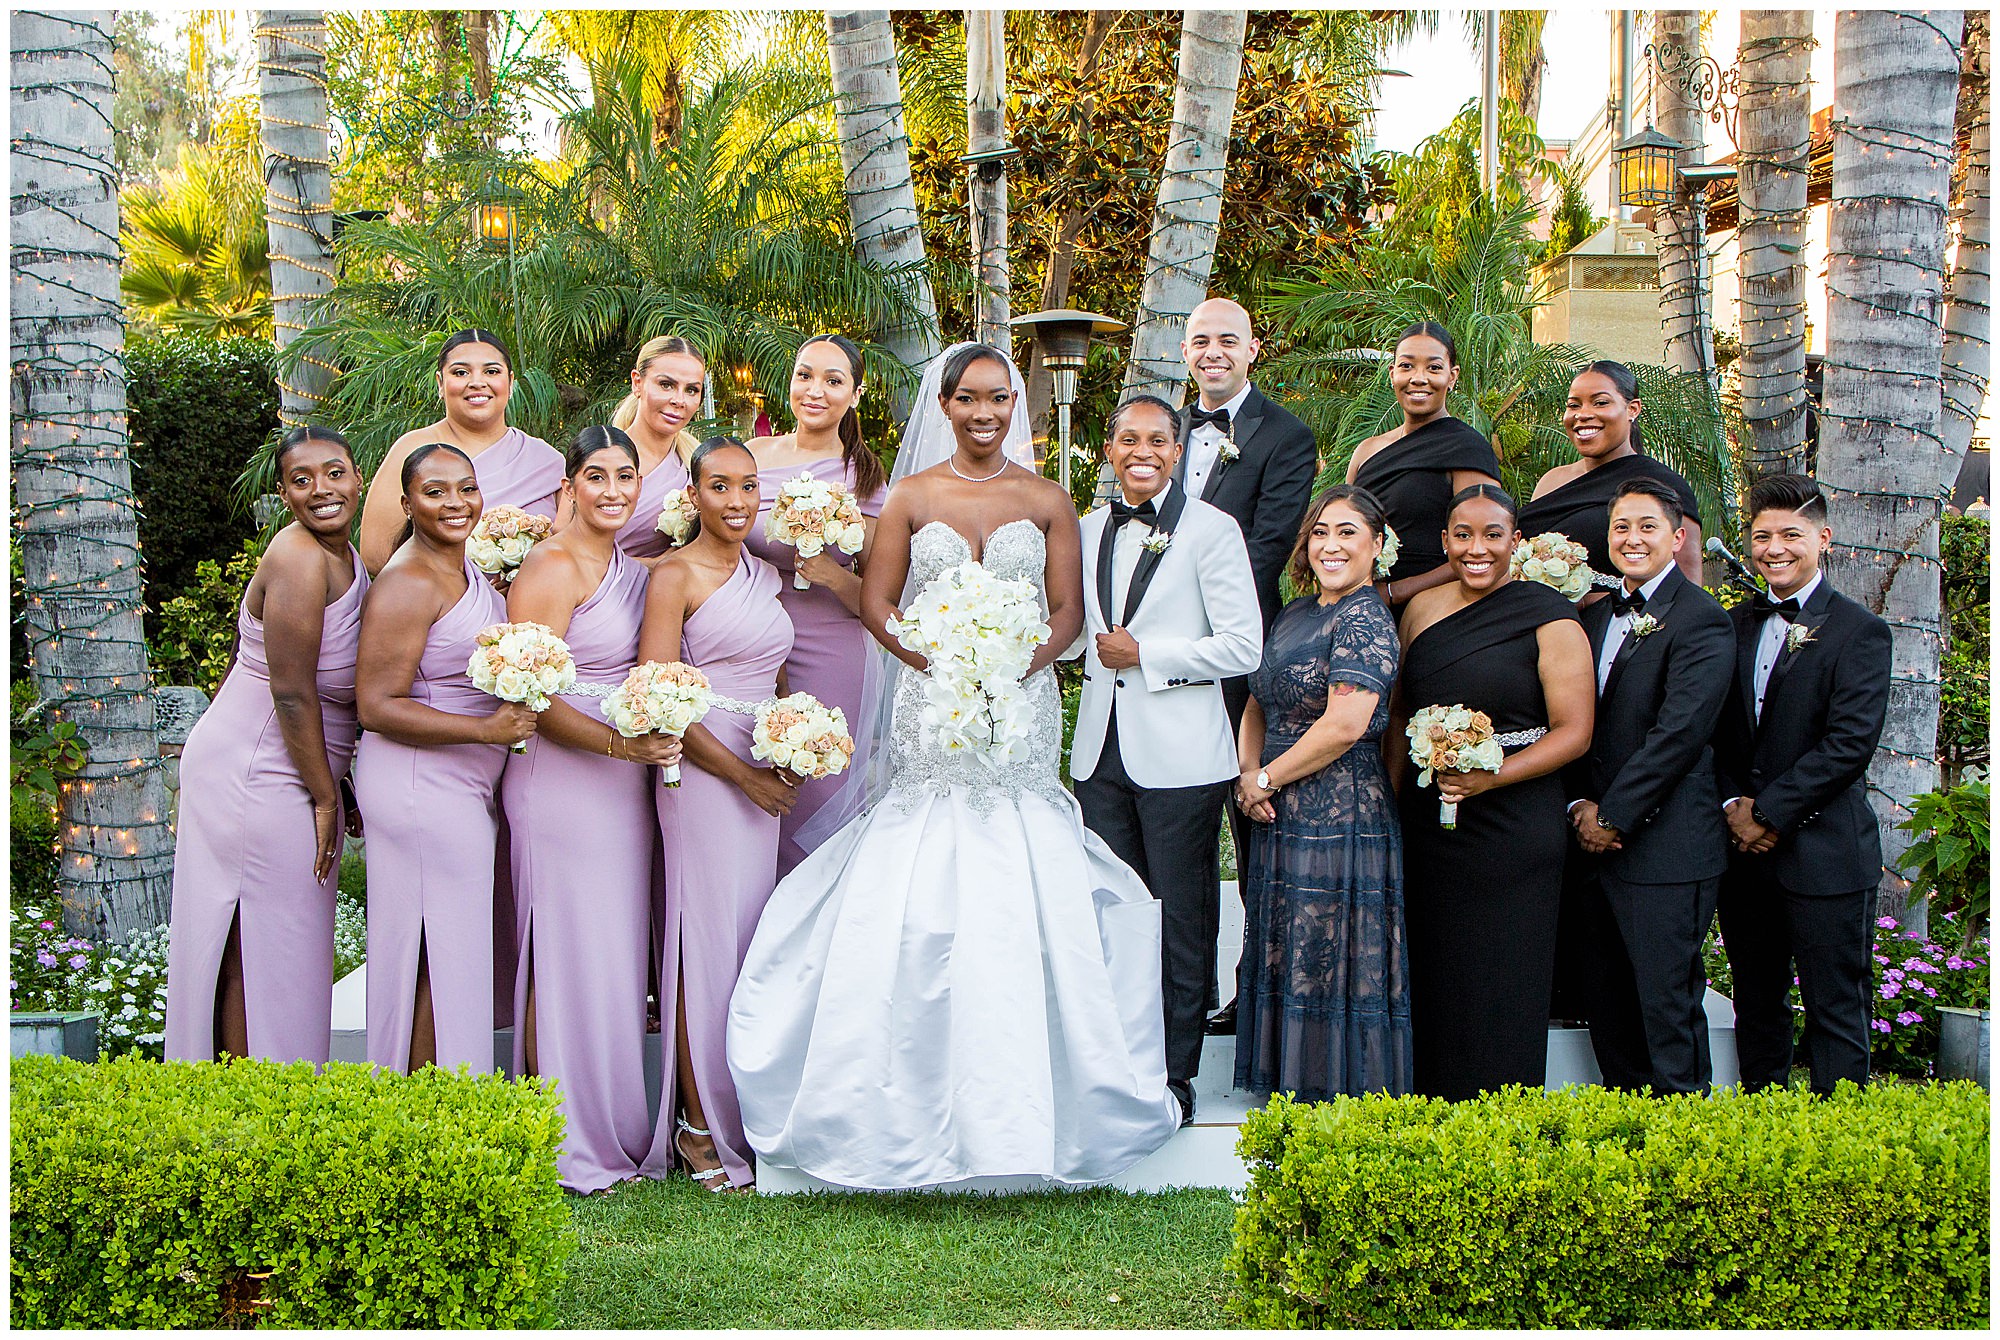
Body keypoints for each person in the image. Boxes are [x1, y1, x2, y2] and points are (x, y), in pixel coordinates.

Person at [728, 343, 1182, 1189]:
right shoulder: (911, 494)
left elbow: (1067, 612)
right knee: (925, 864)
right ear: (944, 405)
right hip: (931, 703)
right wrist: (934, 658)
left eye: (999, 399)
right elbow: (876, 598)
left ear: (1019, 405)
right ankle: (902, 1092)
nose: (985, 412)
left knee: (1020, 857)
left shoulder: (1048, 498)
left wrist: (1015, 663)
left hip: (1022, 703)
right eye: (969, 398)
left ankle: (1040, 1097)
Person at [1070, 394, 1263, 1126]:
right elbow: (1071, 635)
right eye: (1127, 439)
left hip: (1182, 758)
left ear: (1177, 452)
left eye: (1157, 439)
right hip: (1099, 753)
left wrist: (1150, 655)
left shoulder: (1213, 531)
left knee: (1182, 915)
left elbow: (1244, 645)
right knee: (1115, 914)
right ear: (1110, 450)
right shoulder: (1086, 530)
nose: (1142, 450)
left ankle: (1178, 1075)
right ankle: (1120, 1059)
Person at [502, 427, 682, 1193]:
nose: (614, 491)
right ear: (568, 486)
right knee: (565, 953)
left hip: (622, 781)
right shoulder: (551, 565)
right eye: (597, 477)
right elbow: (527, 696)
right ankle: (564, 1142)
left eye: (627, 477)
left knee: (608, 959)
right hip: (563, 780)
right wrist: (622, 748)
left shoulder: (635, 568)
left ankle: (610, 1129)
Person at [164, 427, 369, 1065]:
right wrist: (325, 794)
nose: (322, 490)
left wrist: (337, 781)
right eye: (301, 480)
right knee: (259, 940)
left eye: (334, 473)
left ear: (357, 477)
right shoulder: (298, 556)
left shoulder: (346, 554)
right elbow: (291, 694)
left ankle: (263, 1095)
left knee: (274, 940)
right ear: (283, 494)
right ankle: (250, 1097)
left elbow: (239, 651)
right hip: (258, 766)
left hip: (287, 760)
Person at [1393, 484, 1594, 1100]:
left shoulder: (1552, 616)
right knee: (1434, 966)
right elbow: (1400, 713)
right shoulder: (1420, 609)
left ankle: (1501, 1113)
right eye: (1463, 535)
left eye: (1493, 535)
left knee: (1504, 971)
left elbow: (1576, 732)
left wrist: (1492, 774)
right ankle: (1427, 1104)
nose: (1477, 549)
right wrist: (1395, 809)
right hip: (1431, 820)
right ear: (1445, 541)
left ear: (1516, 541)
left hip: (1515, 824)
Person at [638, 436, 797, 1192]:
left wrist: (796, 745)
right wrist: (744, 778)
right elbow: (662, 698)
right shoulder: (672, 575)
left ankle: (743, 1112)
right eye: (720, 487)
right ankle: (697, 1126)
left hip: (762, 772)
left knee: (744, 948)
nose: (737, 502)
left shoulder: (766, 574)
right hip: (701, 778)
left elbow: (780, 676)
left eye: (749, 487)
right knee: (701, 947)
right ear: (693, 496)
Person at [353, 443, 538, 1074]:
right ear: (406, 503)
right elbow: (376, 705)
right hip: (416, 782)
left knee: (447, 948)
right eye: (435, 492)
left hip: (455, 782)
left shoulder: (462, 569)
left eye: (467, 488)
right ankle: (424, 1104)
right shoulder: (409, 581)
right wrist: (487, 731)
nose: (455, 503)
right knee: (431, 950)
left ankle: (439, 1106)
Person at [1715, 474, 1892, 1096]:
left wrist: (1769, 811)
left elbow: (1849, 744)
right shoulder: (1732, 625)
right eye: (1762, 536)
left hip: (1824, 851)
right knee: (1755, 1003)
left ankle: (1838, 1140)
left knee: (1835, 1007)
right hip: (1742, 854)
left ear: (1824, 538)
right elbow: (1712, 730)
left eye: (1791, 534)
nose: (1775, 548)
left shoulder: (1859, 631)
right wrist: (1736, 806)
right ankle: (1764, 1128)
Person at [1233, 485, 1411, 1099]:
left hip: (1341, 806)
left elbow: (1344, 725)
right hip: (1277, 804)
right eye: (1321, 533)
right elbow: (1258, 699)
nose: (1330, 545)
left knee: (1329, 946)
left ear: (1377, 545)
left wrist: (1265, 779)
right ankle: (1284, 1075)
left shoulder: (1365, 618)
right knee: (1285, 934)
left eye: (1347, 533)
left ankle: (1334, 1085)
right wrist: (1248, 769)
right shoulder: (1293, 613)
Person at [1173, 297, 1319, 1039]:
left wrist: (1187, 625)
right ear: (1185, 349)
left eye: (1228, 340)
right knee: (1179, 828)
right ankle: (1179, 991)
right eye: (1201, 340)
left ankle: (1254, 994)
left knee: (1252, 822)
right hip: (1160, 668)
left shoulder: (1285, 436)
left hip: (1236, 659)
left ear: (1254, 349)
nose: (1213, 352)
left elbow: (1265, 551)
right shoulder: (1163, 429)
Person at [1565, 478, 1734, 1094]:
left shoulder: (1702, 621)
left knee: (1667, 1005)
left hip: (1666, 844)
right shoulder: (1597, 614)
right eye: (1620, 528)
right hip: (1592, 841)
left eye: (1646, 526)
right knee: (1606, 1001)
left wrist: (1613, 815)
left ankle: (1684, 1136)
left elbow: (1679, 735)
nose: (1631, 539)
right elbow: (1581, 720)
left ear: (1676, 536)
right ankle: (1631, 1128)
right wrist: (1581, 804)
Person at [744, 333, 889, 875]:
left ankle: (809, 927)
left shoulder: (866, 477)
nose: (816, 390)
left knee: (815, 784)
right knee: (749, 774)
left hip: (831, 648)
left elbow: (878, 601)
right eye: (805, 375)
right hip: (748, 639)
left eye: (833, 381)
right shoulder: (753, 457)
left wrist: (829, 574)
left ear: (854, 394)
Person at [358, 329, 566, 576]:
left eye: (491, 371)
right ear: (440, 383)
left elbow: (570, 548)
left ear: (510, 383)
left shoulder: (545, 460)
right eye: (460, 372)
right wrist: (463, 587)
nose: (477, 382)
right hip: (440, 608)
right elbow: (374, 555)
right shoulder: (411, 450)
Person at [1348, 322, 1503, 610]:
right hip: (1361, 605)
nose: (1418, 378)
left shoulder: (1467, 449)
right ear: (1392, 373)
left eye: (1433, 368)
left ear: (1452, 376)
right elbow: (1345, 529)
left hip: (1438, 609)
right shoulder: (1366, 451)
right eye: (1407, 366)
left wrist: (1394, 592)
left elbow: (1485, 551)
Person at [1519, 361, 1706, 596]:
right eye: (1574, 405)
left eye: (1600, 403)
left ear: (1633, 409)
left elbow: (1687, 585)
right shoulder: (1551, 480)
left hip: (1618, 626)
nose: (1583, 414)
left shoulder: (1663, 484)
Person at [609, 335, 705, 560]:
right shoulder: (598, 457)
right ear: (637, 382)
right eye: (666, 385)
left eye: (691, 390)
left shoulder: (697, 466)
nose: (679, 400)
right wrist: (651, 566)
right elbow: (570, 547)